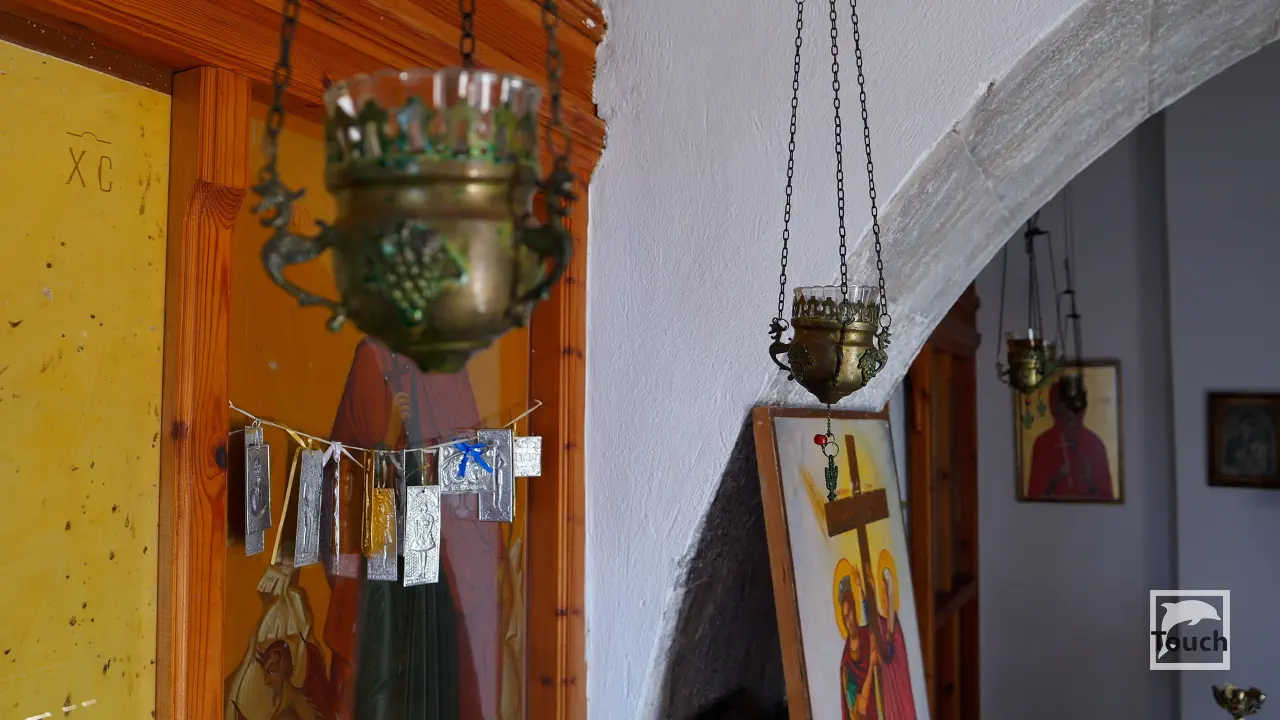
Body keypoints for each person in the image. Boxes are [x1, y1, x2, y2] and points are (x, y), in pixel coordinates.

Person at [323, 337, 501, 719]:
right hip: (384, 564)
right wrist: (386, 441)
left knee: (438, 679)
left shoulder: (447, 366)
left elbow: (475, 473)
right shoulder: (373, 359)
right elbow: (340, 474)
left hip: (443, 564)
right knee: (384, 667)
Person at [1027, 379, 1114, 499]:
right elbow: (1035, 497)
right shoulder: (1043, 444)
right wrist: (1057, 478)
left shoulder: (1094, 444)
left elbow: (1106, 498)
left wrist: (1088, 480)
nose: (1069, 412)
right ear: (1054, 408)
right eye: (1063, 404)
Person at [875, 568, 916, 720]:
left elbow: (888, 650)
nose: (883, 598)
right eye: (883, 594)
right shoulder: (886, 624)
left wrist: (890, 587)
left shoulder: (893, 629)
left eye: (885, 594)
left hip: (899, 691)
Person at [838, 574, 879, 719]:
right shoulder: (846, 666)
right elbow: (860, 709)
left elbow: (872, 620)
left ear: (856, 610)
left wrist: (861, 588)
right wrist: (871, 666)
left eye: (851, 611)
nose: (850, 620)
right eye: (845, 616)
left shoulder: (867, 635)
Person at [1222, 410, 1275, 477]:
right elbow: (1225, 464)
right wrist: (1236, 458)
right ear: (1239, 425)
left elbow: (1268, 468)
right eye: (1245, 424)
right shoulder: (1231, 443)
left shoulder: (1260, 445)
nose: (1248, 427)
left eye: (1251, 425)